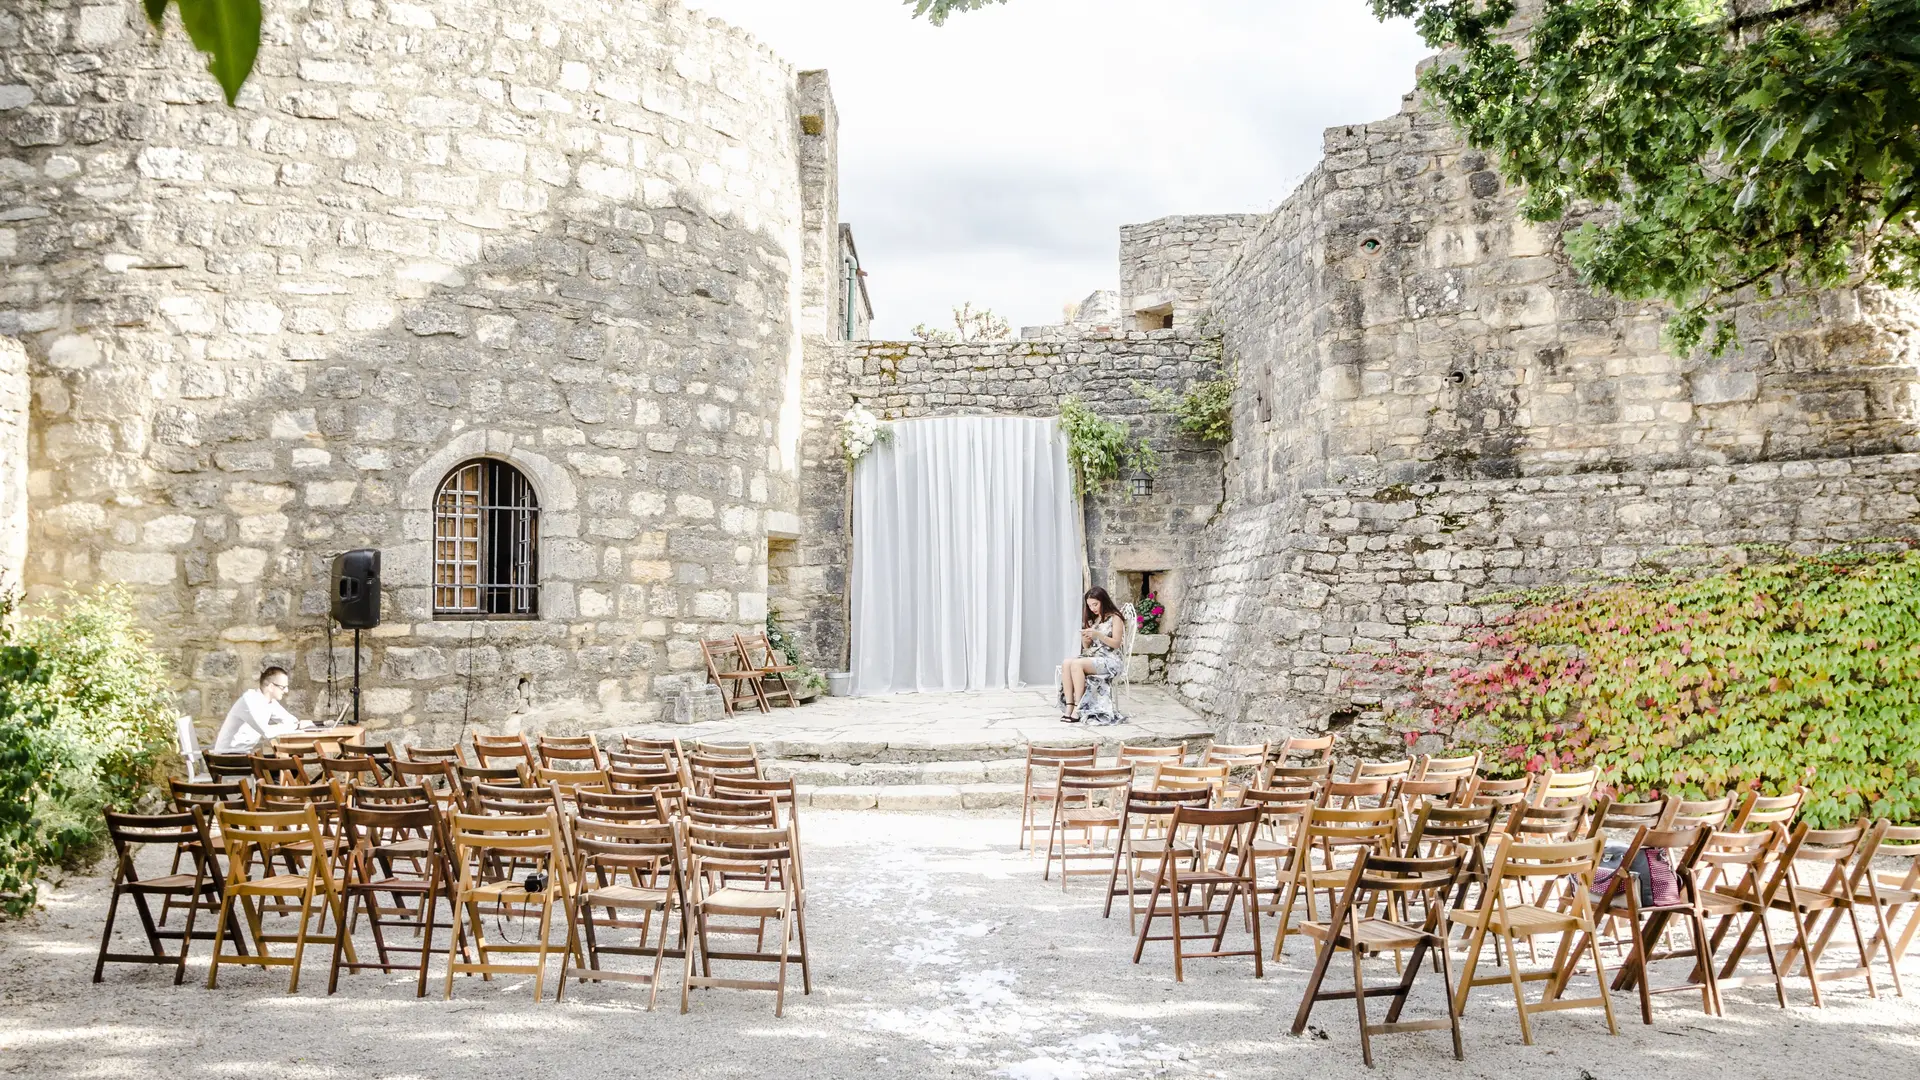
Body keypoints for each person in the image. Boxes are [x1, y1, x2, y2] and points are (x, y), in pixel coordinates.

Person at [1059, 586, 1128, 726]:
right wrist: (1086, 640)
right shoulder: (1096, 619)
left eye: (1095, 604)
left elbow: (1116, 643)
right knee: (1067, 663)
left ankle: (1079, 707)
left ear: (1103, 601)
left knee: (1077, 664)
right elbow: (1088, 648)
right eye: (1090, 605)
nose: (1092, 608)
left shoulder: (1115, 617)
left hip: (1111, 660)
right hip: (1096, 657)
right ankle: (1069, 705)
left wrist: (1098, 635)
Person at [212, 667, 305, 753]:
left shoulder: (270, 702)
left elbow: (293, 722)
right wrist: (291, 727)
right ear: (271, 687)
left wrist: (294, 725)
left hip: (244, 755)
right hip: (228, 757)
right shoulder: (250, 700)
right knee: (288, 763)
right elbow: (267, 732)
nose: (286, 691)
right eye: (283, 687)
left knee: (291, 760)